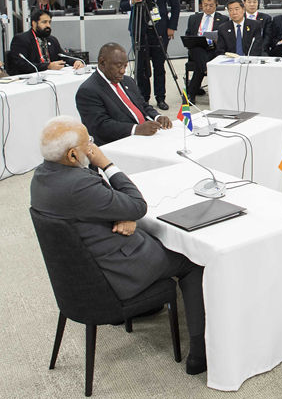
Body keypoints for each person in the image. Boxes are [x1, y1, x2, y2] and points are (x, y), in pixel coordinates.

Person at [30, 116, 207, 375]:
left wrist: (122, 214)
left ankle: (149, 307)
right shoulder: (79, 185)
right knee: (192, 258)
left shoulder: (41, 176)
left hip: (81, 274)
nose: (93, 147)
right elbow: (138, 205)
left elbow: (97, 204)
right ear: (72, 155)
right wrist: (106, 163)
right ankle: (200, 353)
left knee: (148, 228)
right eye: (88, 143)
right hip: (116, 271)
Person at [76, 43, 173, 144]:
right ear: (102, 63)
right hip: (118, 143)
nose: (123, 71)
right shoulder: (88, 90)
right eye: (118, 66)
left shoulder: (128, 81)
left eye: (125, 66)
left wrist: (157, 117)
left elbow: (143, 106)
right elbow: (101, 126)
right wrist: (136, 129)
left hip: (144, 137)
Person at [120, 0, 181, 110]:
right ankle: (143, 99)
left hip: (160, 28)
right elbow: (122, 5)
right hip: (139, 28)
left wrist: (171, 27)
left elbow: (175, 5)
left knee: (159, 65)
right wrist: (131, 1)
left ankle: (160, 98)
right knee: (141, 67)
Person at [9, 8, 84, 75]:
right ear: (34, 24)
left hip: (51, 76)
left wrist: (75, 61)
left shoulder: (52, 40)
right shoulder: (21, 39)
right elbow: (22, 65)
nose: (48, 25)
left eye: (49, 22)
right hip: (29, 78)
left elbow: (63, 56)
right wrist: (47, 66)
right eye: (44, 22)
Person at [185, 0, 227, 104]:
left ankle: (191, 93)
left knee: (201, 63)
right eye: (205, 5)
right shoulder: (193, 18)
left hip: (213, 49)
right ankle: (207, 70)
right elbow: (188, 34)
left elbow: (225, 38)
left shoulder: (223, 19)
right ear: (201, 4)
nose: (208, 8)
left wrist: (218, 40)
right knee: (198, 51)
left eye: (211, 5)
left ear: (216, 4)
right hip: (196, 49)